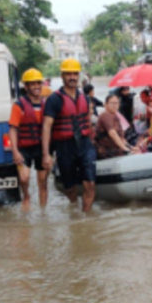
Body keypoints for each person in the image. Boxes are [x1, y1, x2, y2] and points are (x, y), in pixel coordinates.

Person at [42, 58, 97, 213]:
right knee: (70, 188)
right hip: (65, 147)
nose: (72, 77)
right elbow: (47, 126)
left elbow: (87, 122)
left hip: (85, 144)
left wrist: (94, 142)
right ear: (62, 76)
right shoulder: (54, 99)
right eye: (68, 74)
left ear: (78, 76)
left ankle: (85, 220)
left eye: (75, 74)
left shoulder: (85, 98)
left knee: (90, 185)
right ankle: (73, 210)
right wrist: (46, 154)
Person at [8, 68, 48, 209]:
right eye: (32, 84)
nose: (37, 86)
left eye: (38, 83)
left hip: (41, 148)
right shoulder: (19, 105)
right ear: (26, 87)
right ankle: (26, 196)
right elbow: (13, 128)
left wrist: (48, 153)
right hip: (24, 147)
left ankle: (43, 212)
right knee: (24, 178)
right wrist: (15, 151)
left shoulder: (46, 104)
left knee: (43, 182)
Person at [95, 94, 141, 159]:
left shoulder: (116, 117)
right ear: (106, 104)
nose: (115, 105)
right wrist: (125, 149)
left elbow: (121, 139)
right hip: (107, 153)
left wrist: (131, 148)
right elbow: (112, 133)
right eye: (112, 103)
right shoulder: (105, 115)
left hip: (116, 152)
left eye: (117, 103)